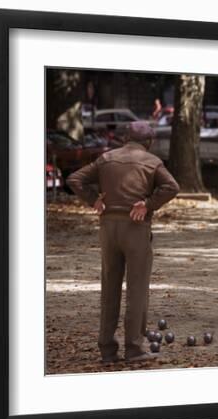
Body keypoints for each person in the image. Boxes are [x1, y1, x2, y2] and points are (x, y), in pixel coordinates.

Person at [67, 121, 180, 362]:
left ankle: (107, 349)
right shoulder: (151, 161)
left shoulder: (106, 158)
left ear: (125, 138)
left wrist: (92, 200)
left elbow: (75, 179)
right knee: (136, 290)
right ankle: (134, 348)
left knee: (110, 288)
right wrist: (148, 203)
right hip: (135, 225)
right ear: (148, 142)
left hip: (108, 227)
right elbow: (172, 186)